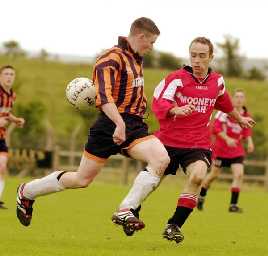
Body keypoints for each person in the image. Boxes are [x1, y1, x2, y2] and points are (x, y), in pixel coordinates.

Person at [16, 17, 170, 231]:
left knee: (161, 159)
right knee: (81, 179)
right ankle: (27, 192)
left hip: (134, 125)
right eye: (151, 42)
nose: (152, 47)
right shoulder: (109, 59)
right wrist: (119, 123)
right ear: (141, 36)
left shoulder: (135, 57)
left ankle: (126, 210)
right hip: (110, 125)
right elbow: (103, 97)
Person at [123, 37, 255, 242]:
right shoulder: (176, 78)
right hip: (168, 141)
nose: (197, 61)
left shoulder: (217, 81)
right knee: (154, 182)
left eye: (202, 56)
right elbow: (159, 101)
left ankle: (174, 225)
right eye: (193, 55)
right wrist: (176, 109)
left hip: (197, 143)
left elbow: (224, 101)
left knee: (198, 176)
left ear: (211, 57)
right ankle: (132, 212)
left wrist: (239, 118)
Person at [197, 89, 254, 213]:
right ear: (233, 99)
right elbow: (215, 128)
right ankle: (201, 196)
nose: (239, 99)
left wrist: (249, 141)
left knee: (239, 174)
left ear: (244, 100)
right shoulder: (224, 113)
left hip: (236, 151)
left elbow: (246, 131)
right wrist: (227, 138)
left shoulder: (246, 115)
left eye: (241, 97)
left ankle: (233, 205)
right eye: (237, 97)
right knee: (213, 175)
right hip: (221, 151)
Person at [0, 65, 25, 209]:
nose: (9, 76)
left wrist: (15, 120)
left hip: (1, 136)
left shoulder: (12, 95)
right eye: (6, 74)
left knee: (2, 166)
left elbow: (6, 113)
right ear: (0, 76)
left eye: (11, 74)